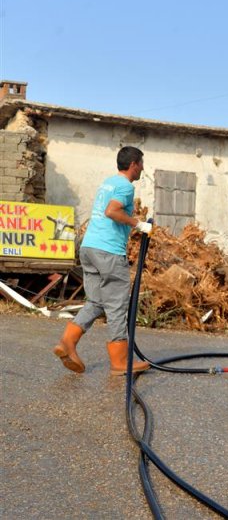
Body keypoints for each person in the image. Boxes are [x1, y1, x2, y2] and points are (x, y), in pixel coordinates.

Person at [53, 146, 153, 375]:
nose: (143, 168)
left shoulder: (108, 182)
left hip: (89, 248)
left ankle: (67, 343)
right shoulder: (126, 187)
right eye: (141, 164)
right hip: (108, 251)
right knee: (117, 304)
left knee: (96, 302)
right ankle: (119, 362)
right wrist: (137, 224)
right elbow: (112, 211)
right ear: (134, 164)